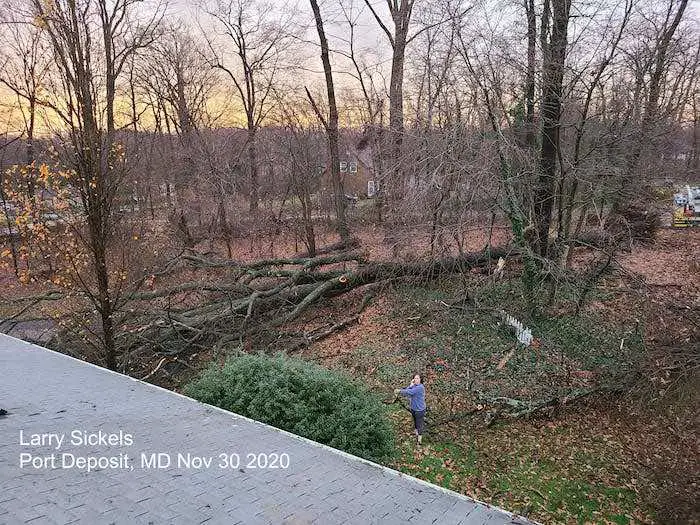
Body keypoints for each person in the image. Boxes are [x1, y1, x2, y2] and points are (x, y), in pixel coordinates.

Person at [394, 373, 426, 445]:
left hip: (420, 410)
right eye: (415, 378)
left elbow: (409, 392)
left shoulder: (420, 387)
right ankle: (416, 435)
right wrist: (410, 385)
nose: (416, 380)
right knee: (415, 423)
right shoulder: (414, 386)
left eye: (417, 378)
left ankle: (419, 440)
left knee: (419, 424)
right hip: (414, 408)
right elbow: (407, 391)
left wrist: (399, 391)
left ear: (421, 380)